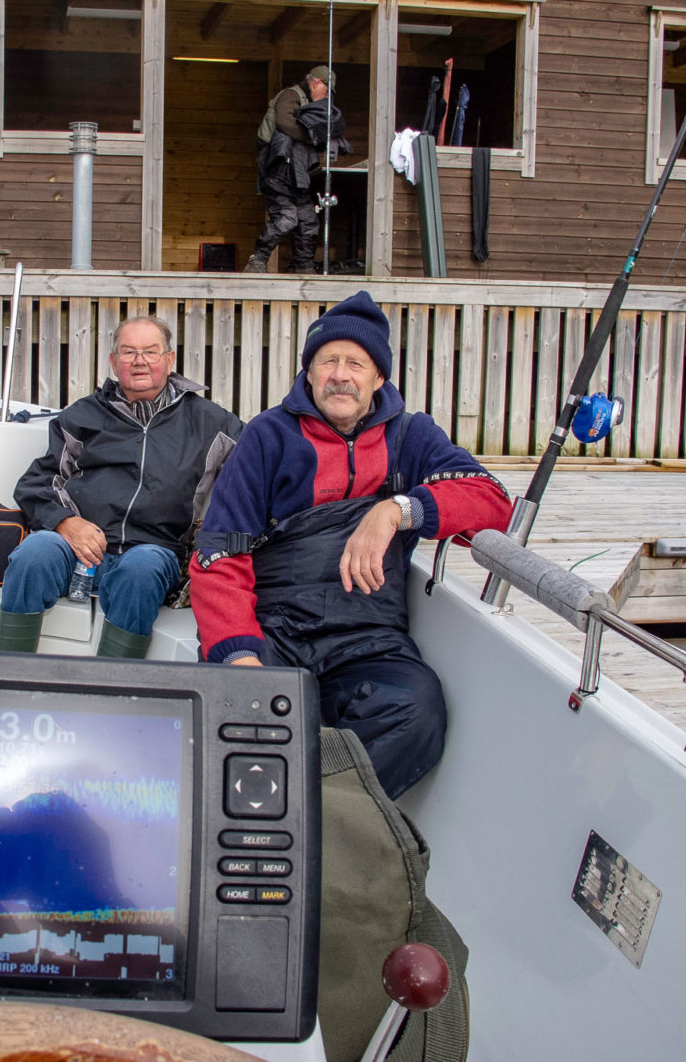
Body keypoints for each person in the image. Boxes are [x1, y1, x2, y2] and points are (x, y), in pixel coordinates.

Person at [188, 291, 512, 797]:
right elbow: (218, 555)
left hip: (369, 636)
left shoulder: (413, 435)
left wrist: (397, 510)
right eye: (328, 361)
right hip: (276, 630)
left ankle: (317, 817)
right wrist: (240, 658)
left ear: (378, 377)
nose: (341, 374)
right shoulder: (267, 436)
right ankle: (283, 809)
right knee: (232, 718)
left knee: (417, 712)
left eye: (356, 363)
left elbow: (492, 501)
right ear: (310, 374)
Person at [0, 316, 243, 658]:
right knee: (34, 553)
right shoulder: (82, 416)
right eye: (128, 352)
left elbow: (258, 465)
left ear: (170, 360)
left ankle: (113, 689)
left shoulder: (211, 422)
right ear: (114, 362)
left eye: (150, 352)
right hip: (78, 550)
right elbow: (37, 481)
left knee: (141, 570)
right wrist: (65, 522)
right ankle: (8, 672)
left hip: (154, 553)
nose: (139, 361)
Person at [244, 65, 347, 275]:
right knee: (286, 217)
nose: (326, 97)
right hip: (276, 172)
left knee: (308, 220)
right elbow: (284, 122)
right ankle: (257, 260)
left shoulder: (309, 105)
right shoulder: (291, 95)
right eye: (326, 91)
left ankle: (304, 269)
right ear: (316, 82)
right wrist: (313, 135)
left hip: (296, 175)